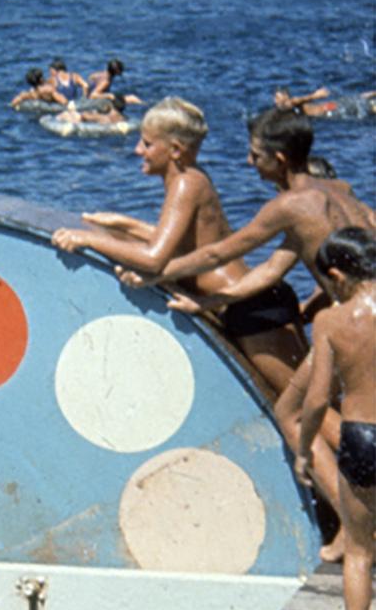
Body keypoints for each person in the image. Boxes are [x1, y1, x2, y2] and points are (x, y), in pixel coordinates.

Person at [147, 106, 376, 556]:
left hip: (351, 323)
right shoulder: (337, 191)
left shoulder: (288, 206)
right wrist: (211, 302)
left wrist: (155, 271)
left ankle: (354, 528)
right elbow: (273, 267)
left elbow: (220, 254)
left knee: (293, 413)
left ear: (280, 158)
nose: (249, 163)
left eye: (255, 156)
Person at [52, 97, 307, 402]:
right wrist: (124, 223)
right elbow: (188, 243)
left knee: (305, 412)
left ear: (175, 150)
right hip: (251, 300)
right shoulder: (191, 178)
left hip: (247, 306)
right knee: (303, 406)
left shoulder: (186, 185)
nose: (138, 150)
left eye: (147, 144)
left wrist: (87, 239)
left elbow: (154, 259)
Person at [297, 229, 375, 610]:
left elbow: (316, 398)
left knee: (361, 551)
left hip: (362, 436)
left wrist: (306, 446)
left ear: (336, 275)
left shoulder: (330, 321)